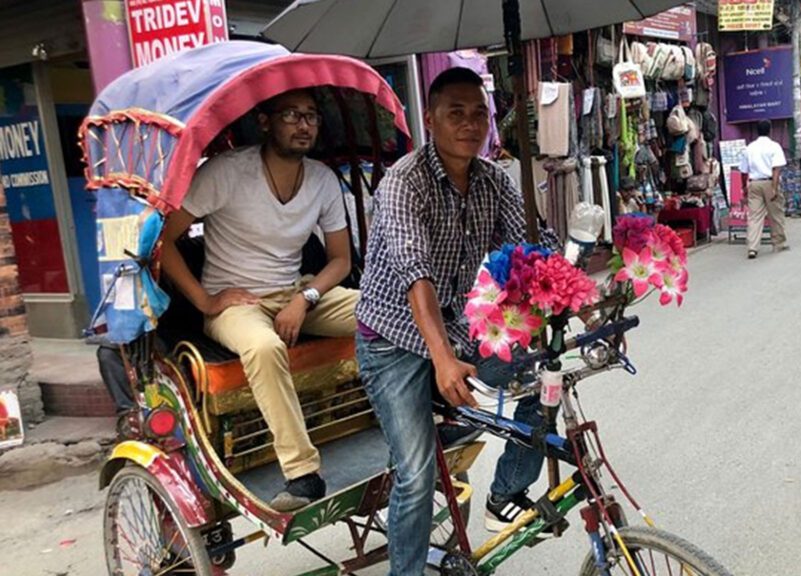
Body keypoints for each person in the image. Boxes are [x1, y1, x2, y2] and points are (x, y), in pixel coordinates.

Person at [354, 67, 560, 576]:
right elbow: (414, 274)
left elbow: (535, 248)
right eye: (455, 113)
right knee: (417, 474)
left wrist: (572, 290)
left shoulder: (493, 179)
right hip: (393, 341)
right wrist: (444, 360)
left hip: (461, 329)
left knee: (545, 378)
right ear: (430, 120)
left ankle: (506, 491)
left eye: (479, 114)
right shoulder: (403, 183)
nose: (470, 124)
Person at [160, 89, 359, 511]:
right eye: (292, 115)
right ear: (265, 122)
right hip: (238, 306)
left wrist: (305, 297)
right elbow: (163, 241)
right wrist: (205, 300)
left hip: (296, 294)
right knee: (265, 347)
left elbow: (340, 261)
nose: (304, 125)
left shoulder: (322, 180)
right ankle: (302, 473)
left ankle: (429, 414)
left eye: (311, 116)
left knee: (383, 310)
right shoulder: (226, 172)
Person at [738, 119, 788, 260]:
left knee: (754, 217)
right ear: (769, 130)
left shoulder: (750, 148)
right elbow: (776, 168)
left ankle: (752, 247)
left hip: (754, 183)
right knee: (776, 214)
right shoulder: (774, 146)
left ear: (757, 131)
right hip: (769, 181)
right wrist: (774, 187)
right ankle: (779, 243)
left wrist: (744, 187)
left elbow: (743, 170)